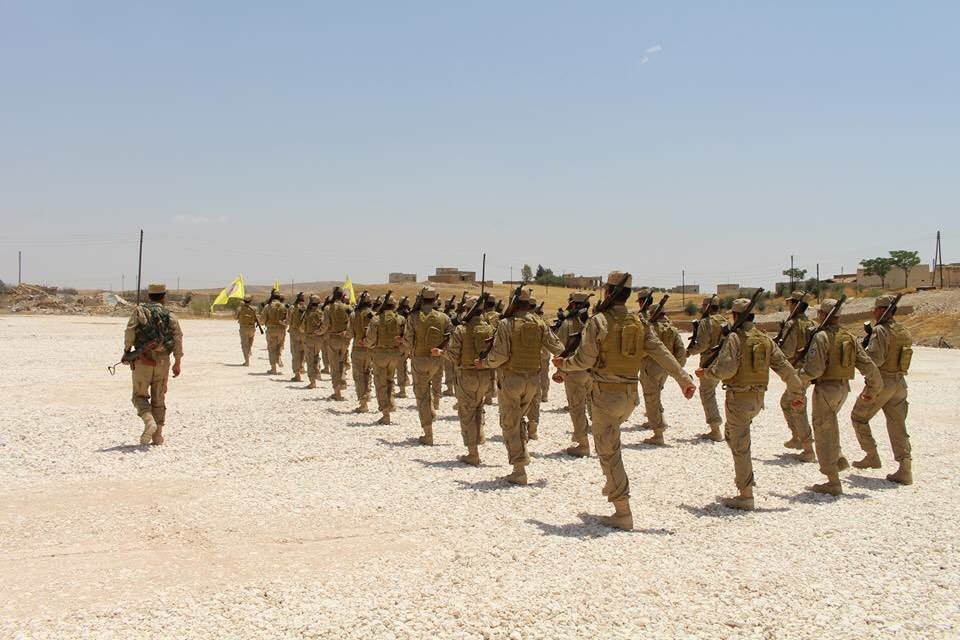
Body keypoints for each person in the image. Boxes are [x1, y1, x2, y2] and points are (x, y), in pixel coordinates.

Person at [555, 272, 696, 530]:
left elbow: (584, 360)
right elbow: (661, 352)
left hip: (605, 395)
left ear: (608, 292)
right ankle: (612, 482)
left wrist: (564, 364)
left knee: (609, 451)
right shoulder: (639, 322)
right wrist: (683, 379)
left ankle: (622, 511)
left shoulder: (599, 322)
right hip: (630, 396)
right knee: (610, 443)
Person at [696, 298, 804, 511]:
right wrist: (797, 391)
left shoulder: (736, 338)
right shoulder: (764, 339)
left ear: (736, 316)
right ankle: (746, 482)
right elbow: (784, 367)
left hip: (739, 398)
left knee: (740, 445)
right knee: (734, 437)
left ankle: (746, 494)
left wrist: (707, 373)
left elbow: (727, 369)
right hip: (757, 399)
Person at [796, 299, 882, 495]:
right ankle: (839, 458)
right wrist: (872, 391)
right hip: (843, 389)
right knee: (830, 426)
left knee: (823, 432)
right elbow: (868, 366)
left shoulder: (822, 337)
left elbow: (814, 370)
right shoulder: (848, 337)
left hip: (826, 389)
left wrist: (797, 385)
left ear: (821, 315)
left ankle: (833, 481)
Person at [479, 288, 564, 484]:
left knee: (511, 423)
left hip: (511, 380)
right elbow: (559, 348)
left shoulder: (506, 324)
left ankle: (519, 471)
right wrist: (562, 370)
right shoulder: (540, 324)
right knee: (519, 419)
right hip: (533, 381)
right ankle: (523, 454)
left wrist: (484, 363)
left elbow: (499, 356)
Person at [850, 295, 914, 485]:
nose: (874, 312)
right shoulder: (904, 330)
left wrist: (862, 353)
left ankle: (871, 455)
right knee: (898, 425)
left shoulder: (880, 330)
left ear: (880, 310)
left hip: (882, 383)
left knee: (858, 417)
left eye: (875, 309)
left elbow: (875, 360)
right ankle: (905, 468)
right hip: (900, 383)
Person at [436, 295, 495, 465]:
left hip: (467, 375)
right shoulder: (489, 329)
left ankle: (473, 453)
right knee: (478, 408)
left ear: (468, 310)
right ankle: (479, 436)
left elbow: (454, 355)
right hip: (484, 375)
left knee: (467, 413)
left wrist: (440, 353)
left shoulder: (461, 330)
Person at [123, 283, 183, 445]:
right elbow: (178, 338)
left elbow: (130, 332)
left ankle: (149, 421)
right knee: (159, 397)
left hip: (142, 359)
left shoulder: (139, 311)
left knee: (139, 396)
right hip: (163, 361)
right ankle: (158, 436)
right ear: (163, 296)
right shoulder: (169, 315)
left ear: (148, 295)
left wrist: (127, 351)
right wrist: (177, 362)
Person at [402, 287, 451, 444]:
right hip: (436, 360)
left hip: (419, 360)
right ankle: (432, 409)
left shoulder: (414, 317)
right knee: (432, 387)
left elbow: (408, 340)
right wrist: (441, 350)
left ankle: (428, 433)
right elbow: (451, 337)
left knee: (422, 395)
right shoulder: (444, 317)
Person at [640, 304, 688, 446]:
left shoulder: (651, 329)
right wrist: (677, 369)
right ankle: (658, 421)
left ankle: (658, 433)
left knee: (650, 397)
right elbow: (680, 351)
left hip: (650, 367)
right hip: (666, 368)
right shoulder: (672, 329)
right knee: (656, 395)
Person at [555, 292, 593, 457]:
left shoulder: (567, 325)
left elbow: (559, 349)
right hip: (592, 371)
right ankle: (583, 434)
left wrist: (560, 370)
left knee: (577, 408)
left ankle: (583, 445)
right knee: (592, 404)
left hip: (574, 371)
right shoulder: (594, 323)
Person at [778, 290, 815, 455]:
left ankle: (807, 447)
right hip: (807, 370)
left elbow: (787, 350)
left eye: (790, 303)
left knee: (794, 405)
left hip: (797, 371)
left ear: (796, 305)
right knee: (788, 402)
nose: (788, 306)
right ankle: (798, 438)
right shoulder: (811, 324)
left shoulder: (793, 324)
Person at [687, 295, 727, 441]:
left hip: (709, 361)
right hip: (723, 362)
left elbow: (703, 345)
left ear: (707, 307)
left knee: (707, 393)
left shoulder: (706, 322)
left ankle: (715, 429)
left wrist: (689, 352)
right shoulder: (724, 321)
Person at [364, 293, 405, 424]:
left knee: (380, 383)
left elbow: (370, 340)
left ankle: (385, 413)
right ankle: (391, 402)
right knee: (389, 380)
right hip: (395, 354)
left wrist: (366, 344)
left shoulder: (376, 319)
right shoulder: (401, 319)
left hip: (380, 354)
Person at [322, 287, 353, 401]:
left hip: (332, 339)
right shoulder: (348, 308)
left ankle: (337, 392)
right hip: (344, 339)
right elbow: (352, 322)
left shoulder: (328, 308)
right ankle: (343, 381)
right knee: (343, 361)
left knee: (334, 365)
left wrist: (319, 332)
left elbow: (325, 324)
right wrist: (347, 334)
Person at [350, 291, 375, 413]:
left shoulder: (354, 315)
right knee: (368, 373)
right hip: (370, 350)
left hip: (358, 349)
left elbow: (349, 334)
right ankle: (368, 394)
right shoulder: (374, 315)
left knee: (359, 376)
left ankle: (363, 403)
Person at [260, 292, 288, 374]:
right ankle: (278, 357)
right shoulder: (283, 306)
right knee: (279, 346)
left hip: (271, 330)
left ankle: (273, 368)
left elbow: (262, 321)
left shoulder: (267, 307)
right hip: (282, 330)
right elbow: (288, 319)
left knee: (271, 349)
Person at [302, 294, 324, 389]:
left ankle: (312, 381)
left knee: (310, 359)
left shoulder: (307, 313)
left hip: (310, 338)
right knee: (316, 355)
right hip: (319, 339)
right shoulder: (321, 313)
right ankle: (317, 370)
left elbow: (302, 327)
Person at [288, 292, 307, 382]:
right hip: (304, 333)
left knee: (295, 352)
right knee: (303, 351)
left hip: (295, 332)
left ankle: (297, 374)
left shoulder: (292, 307)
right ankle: (302, 366)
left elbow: (288, 320)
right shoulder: (307, 308)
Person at [235, 295, 258, 366]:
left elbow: (235, 317)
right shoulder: (254, 308)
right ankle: (249, 352)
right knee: (250, 343)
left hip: (243, 328)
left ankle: (247, 361)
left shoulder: (240, 308)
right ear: (250, 301)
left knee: (244, 345)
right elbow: (257, 318)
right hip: (252, 328)